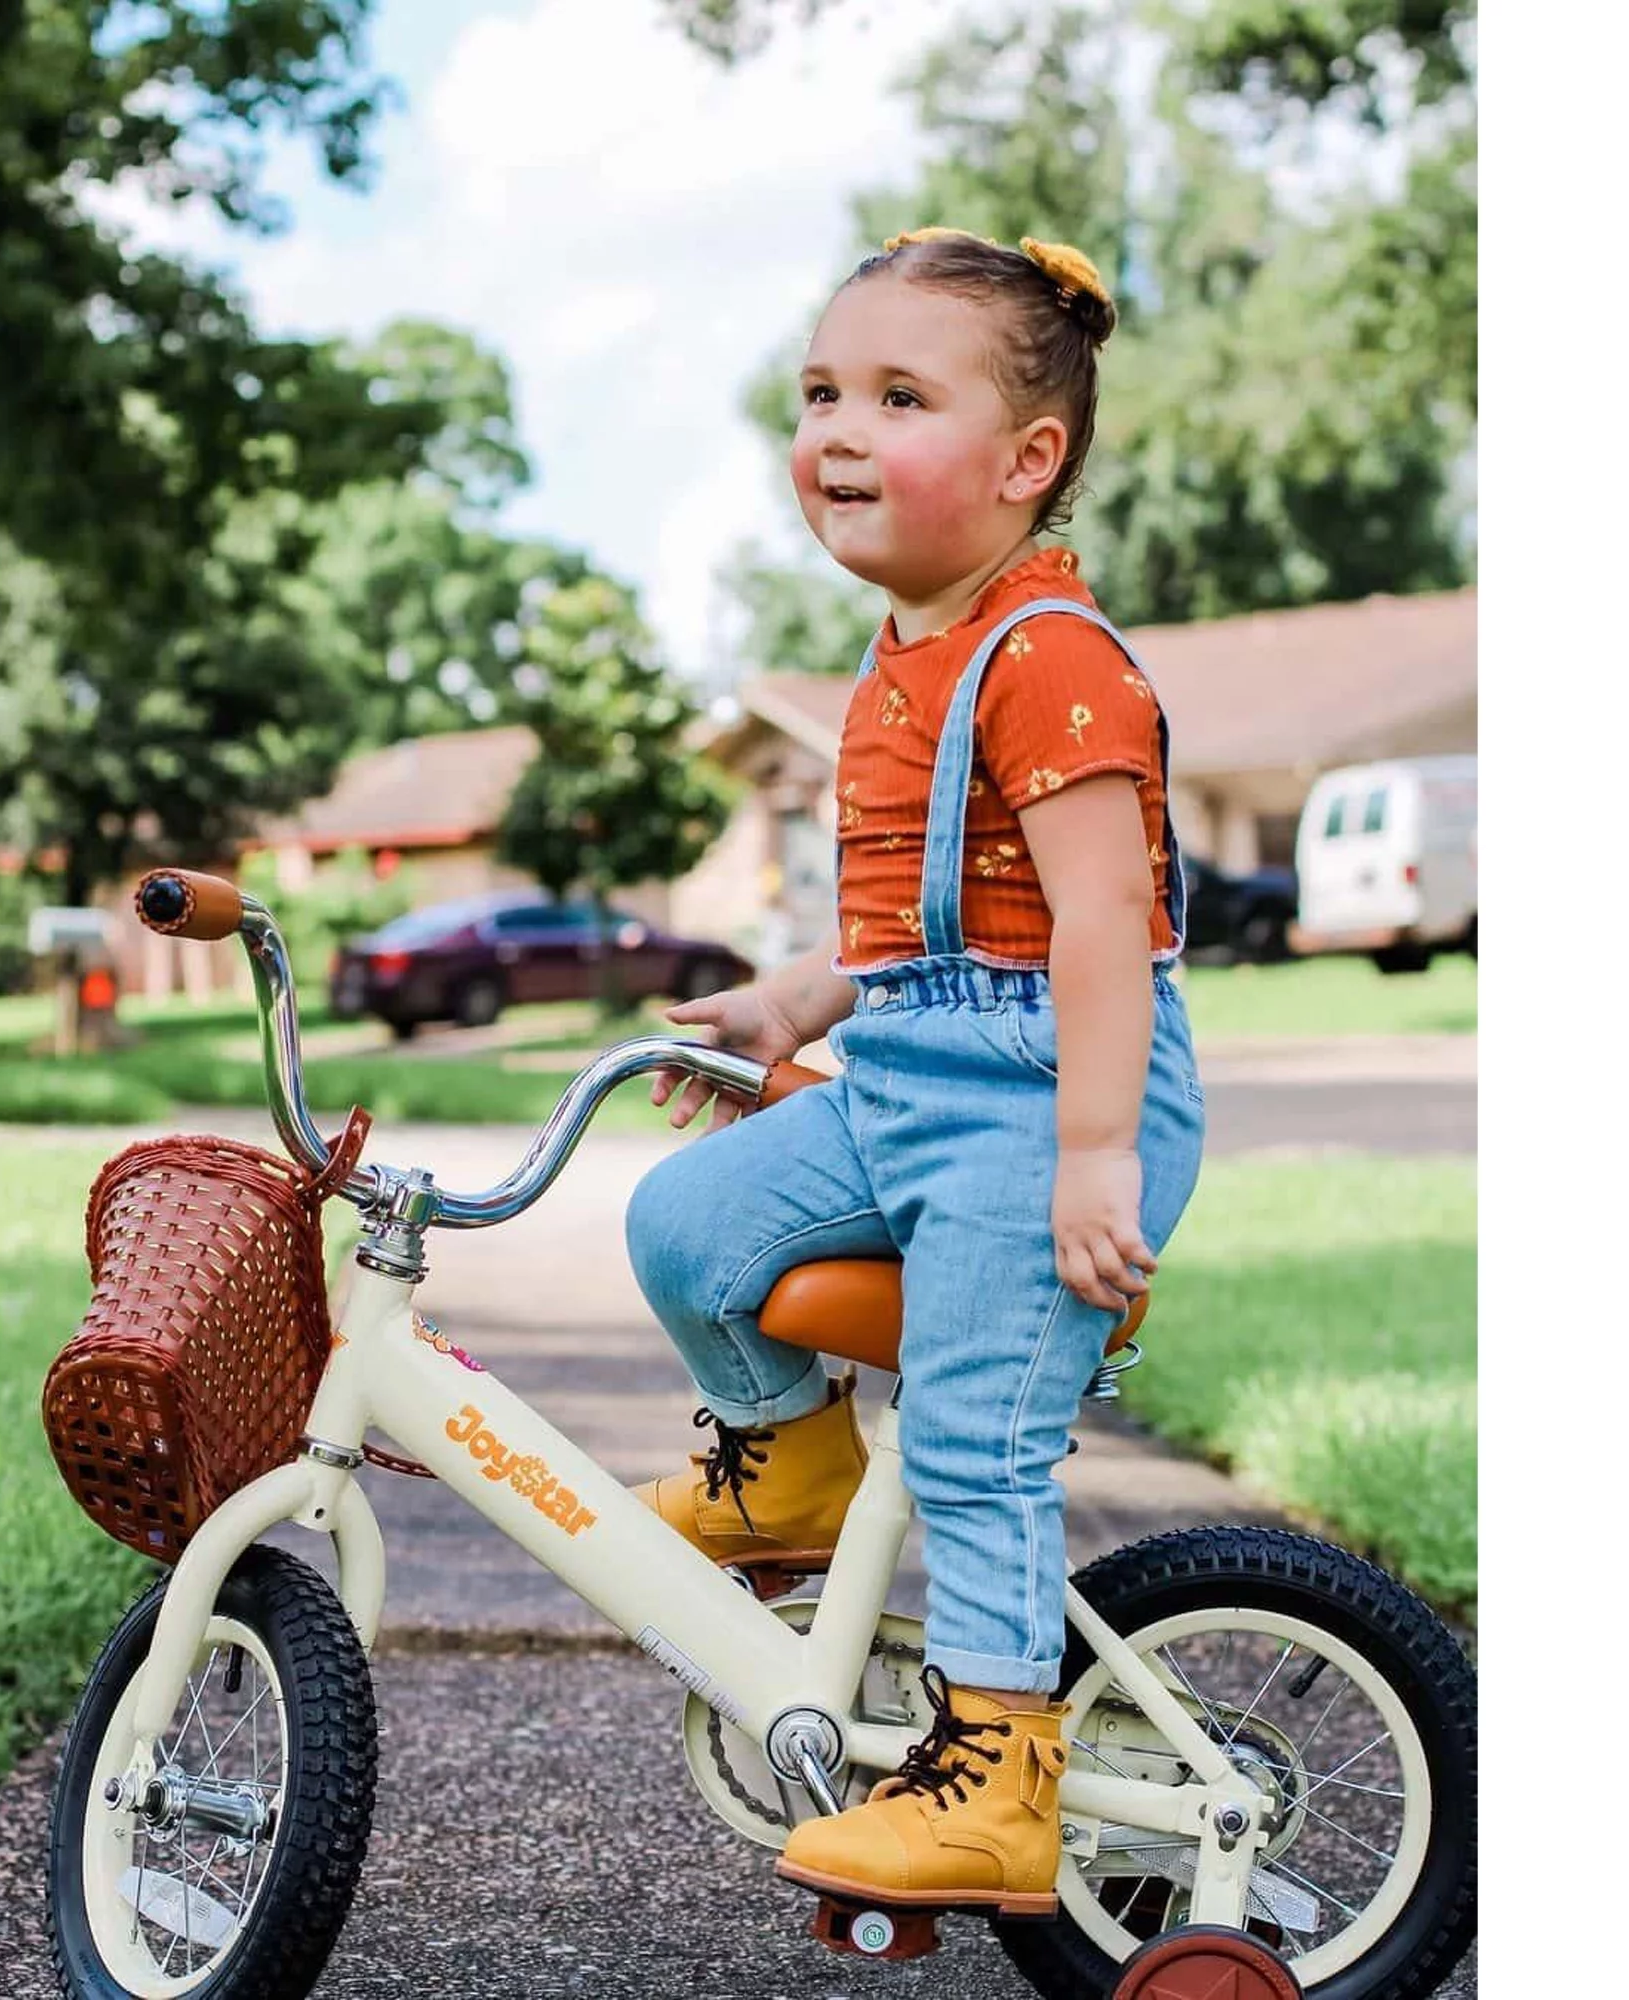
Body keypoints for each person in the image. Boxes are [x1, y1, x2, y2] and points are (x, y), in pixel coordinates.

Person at [624, 228, 1206, 1918]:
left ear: (1030, 461)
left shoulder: (1052, 660)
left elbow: (1100, 921)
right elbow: (923, 920)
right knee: (688, 1228)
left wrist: (1092, 1155)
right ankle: (784, 1456)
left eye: (898, 395)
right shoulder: (903, 655)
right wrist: (792, 1003)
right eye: (821, 394)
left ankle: (999, 1773)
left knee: (970, 1439)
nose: (840, 433)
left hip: (1048, 1102)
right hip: (905, 1077)